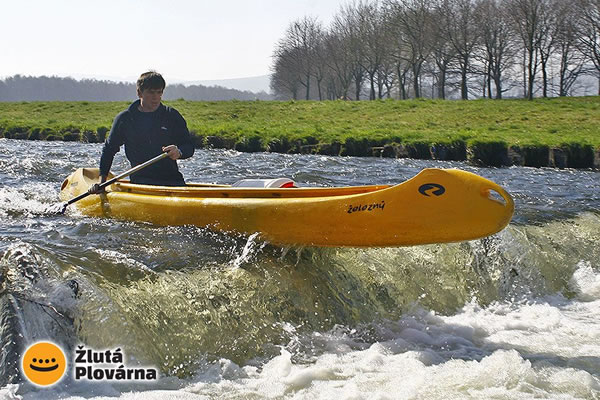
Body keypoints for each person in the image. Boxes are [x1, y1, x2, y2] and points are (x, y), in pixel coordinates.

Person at [89, 71, 194, 193]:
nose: (156, 97)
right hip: (142, 183)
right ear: (139, 93)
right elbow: (109, 150)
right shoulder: (125, 119)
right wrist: (102, 181)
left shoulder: (172, 116)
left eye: (159, 92)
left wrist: (179, 152)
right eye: (151, 92)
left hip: (173, 182)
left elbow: (189, 146)